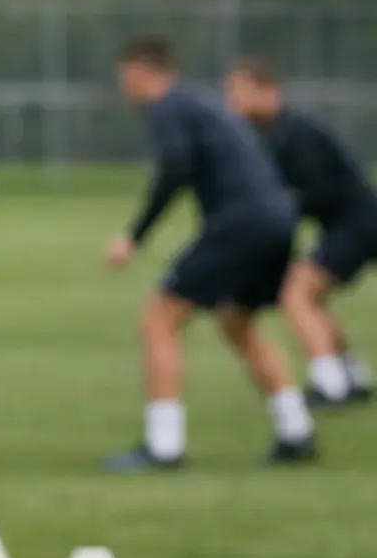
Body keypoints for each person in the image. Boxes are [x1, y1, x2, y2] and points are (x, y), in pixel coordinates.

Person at [105, 35, 315, 471]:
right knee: (239, 322)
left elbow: (175, 166)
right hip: (278, 221)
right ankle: (296, 430)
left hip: (242, 222)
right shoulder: (199, 105)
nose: (125, 88)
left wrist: (135, 236)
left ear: (140, 73)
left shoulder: (166, 108)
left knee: (159, 321)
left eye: (125, 78)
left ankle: (164, 447)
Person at [225, 59, 376, 406]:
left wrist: (278, 216)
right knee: (311, 297)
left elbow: (317, 191)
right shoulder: (275, 134)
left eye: (238, 92)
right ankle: (351, 376)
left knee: (296, 294)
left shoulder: (294, 132)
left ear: (267, 91)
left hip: (358, 223)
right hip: (348, 224)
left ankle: (330, 385)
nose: (231, 102)